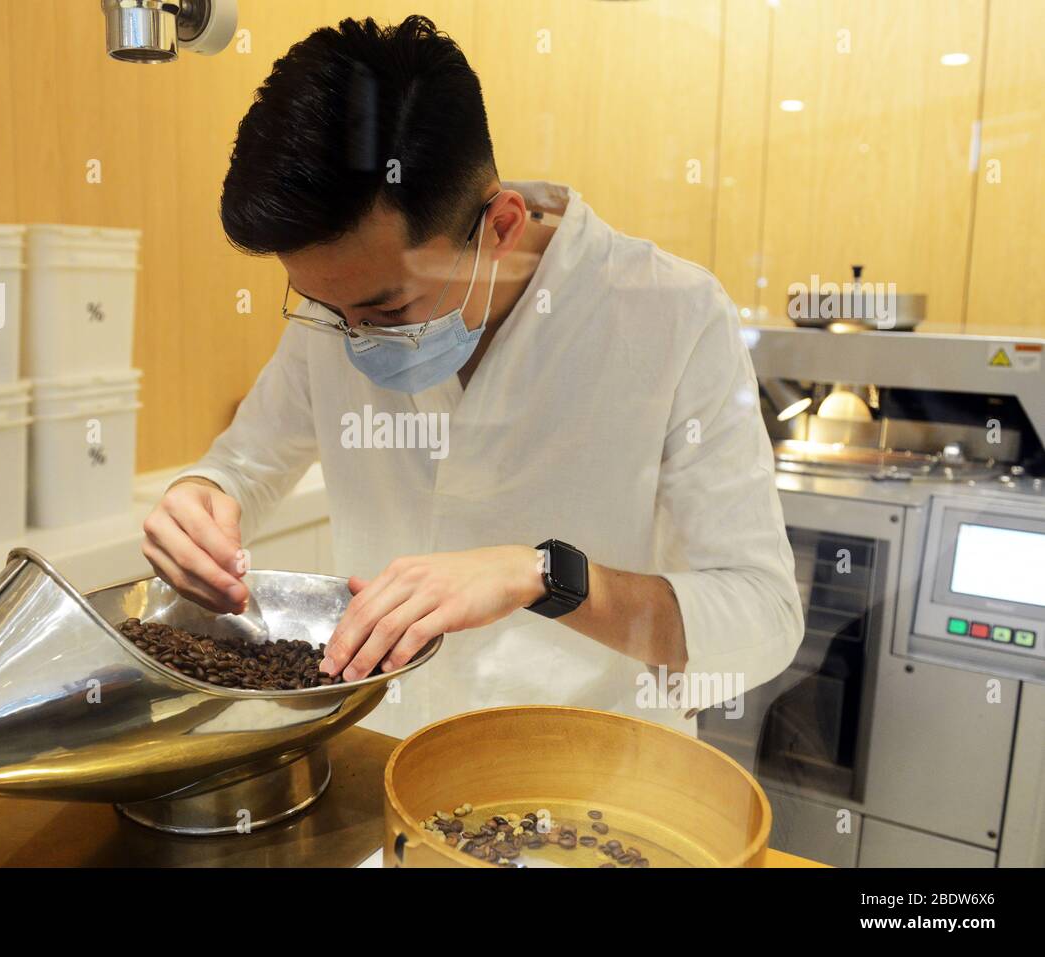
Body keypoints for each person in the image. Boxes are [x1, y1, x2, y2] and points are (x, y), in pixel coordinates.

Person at [142, 15, 803, 739]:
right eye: (324, 307)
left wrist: (545, 575)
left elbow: (762, 616)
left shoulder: (672, 313)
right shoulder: (342, 309)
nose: (353, 338)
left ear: (503, 227)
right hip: (382, 762)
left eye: (387, 309)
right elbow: (245, 464)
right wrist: (202, 496)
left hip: (587, 788)